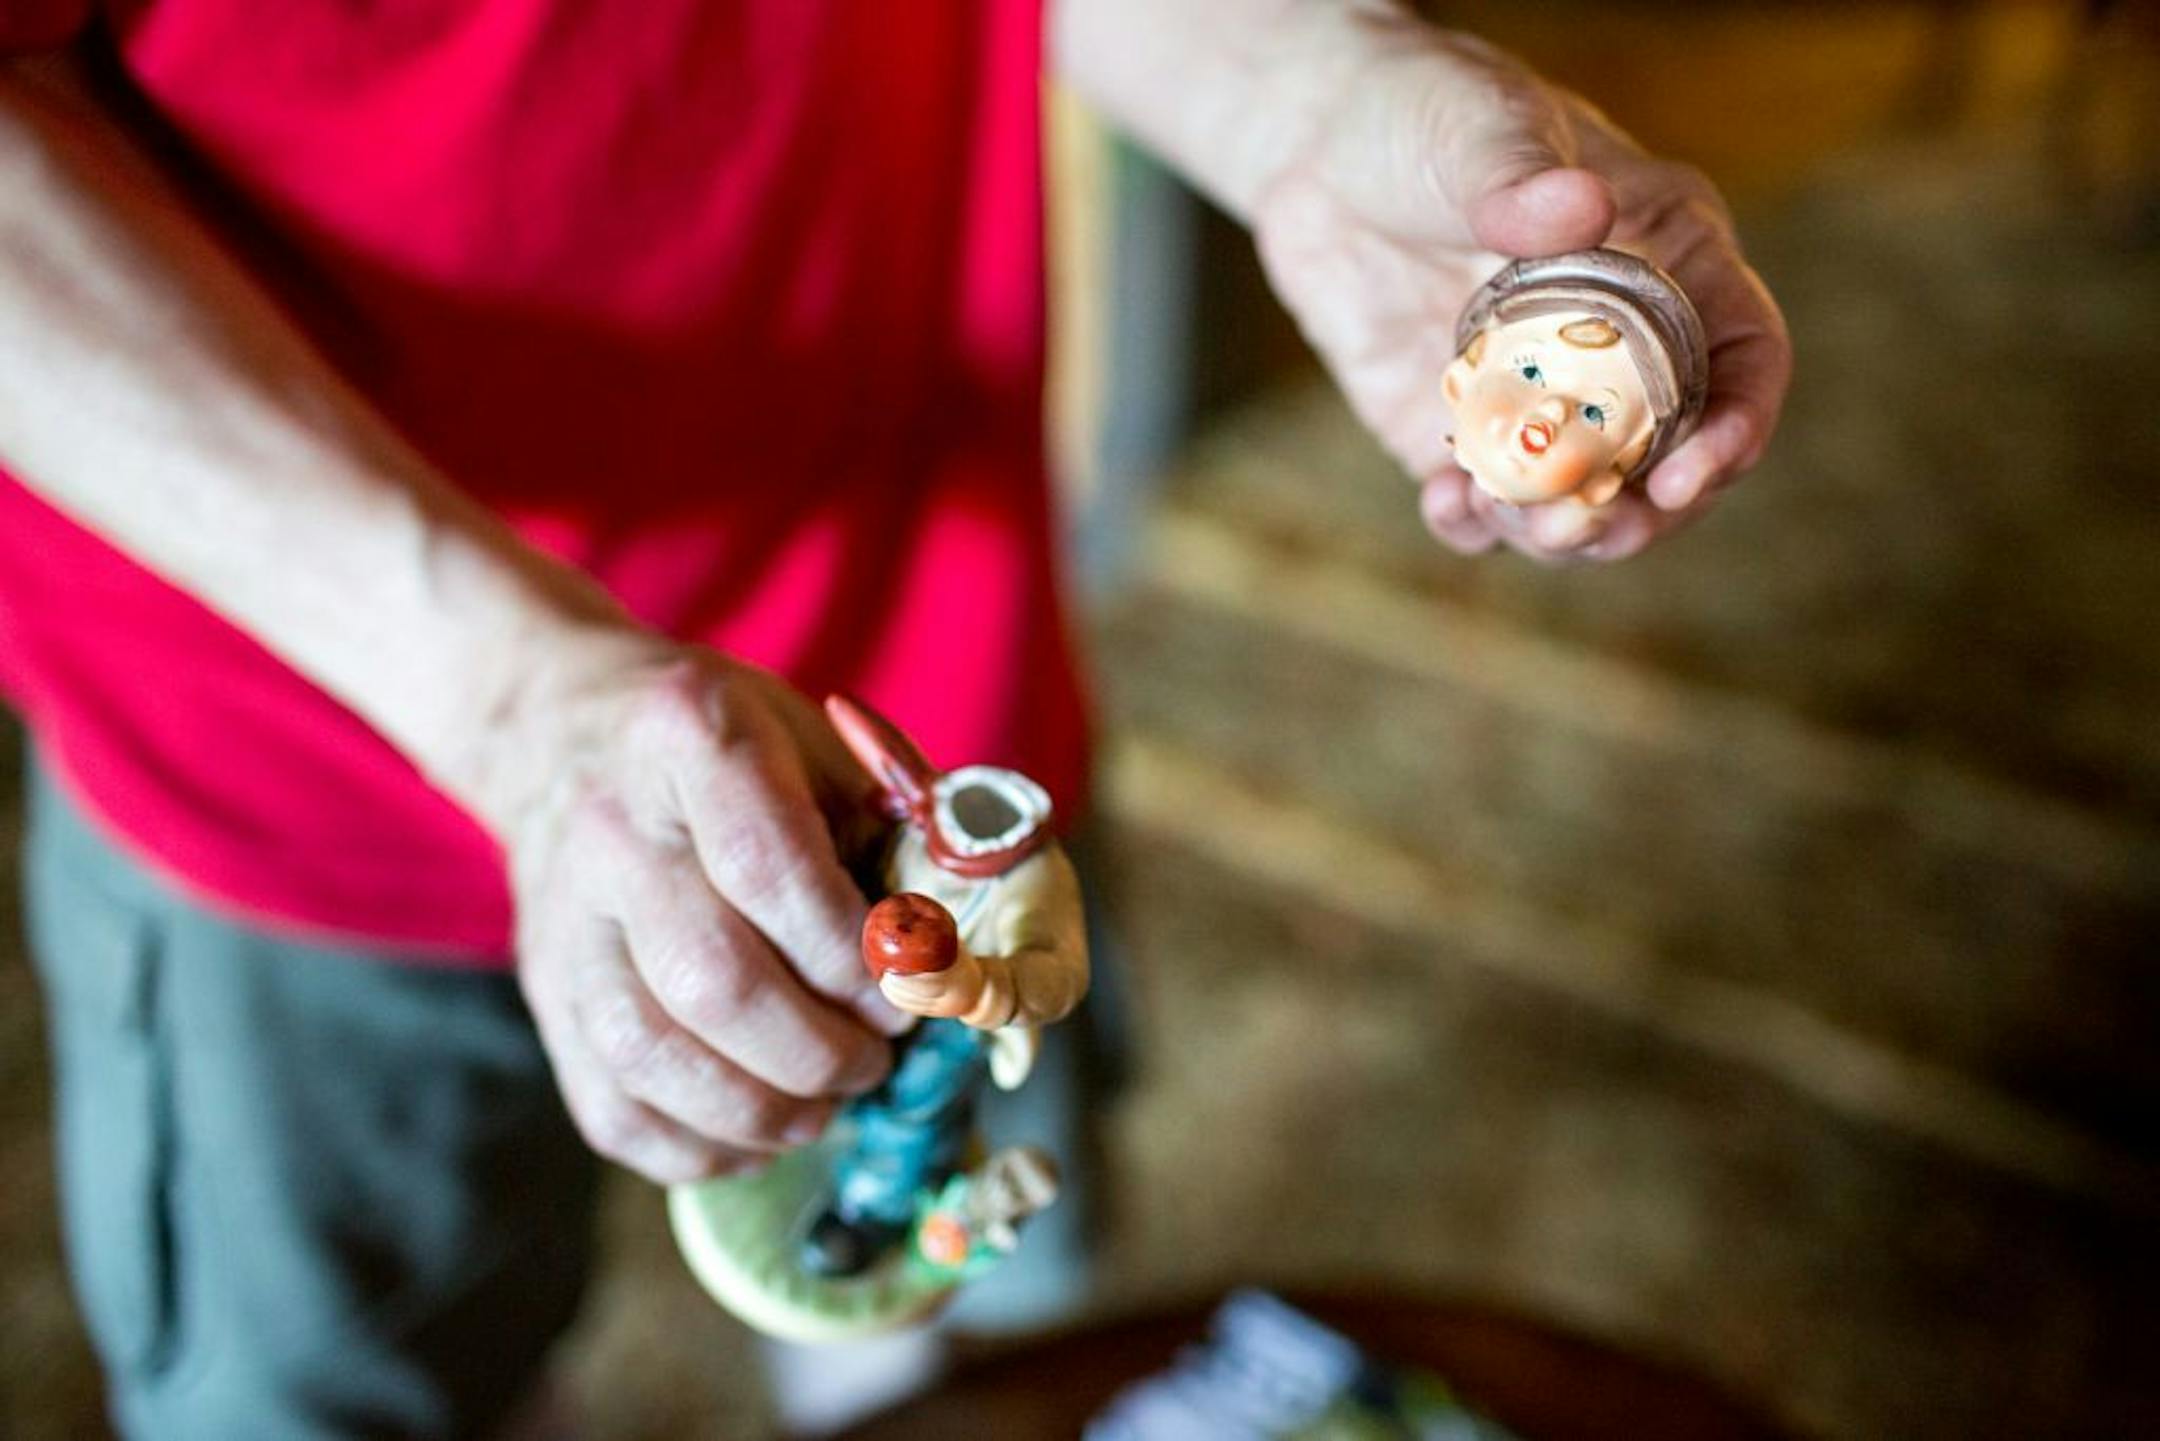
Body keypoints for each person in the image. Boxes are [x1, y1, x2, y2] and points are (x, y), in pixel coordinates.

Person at [0, 1, 1791, 1435]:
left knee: (968, 1315)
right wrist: (496, 684)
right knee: (342, 1382)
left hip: (934, 718)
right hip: (287, 745)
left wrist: (1305, 95)